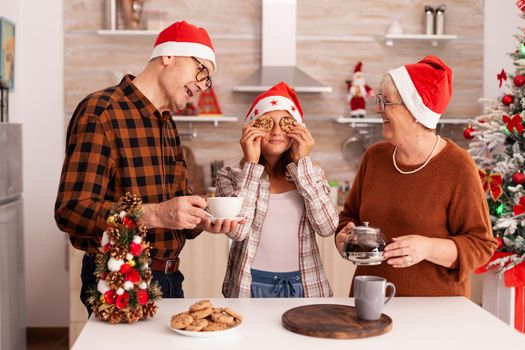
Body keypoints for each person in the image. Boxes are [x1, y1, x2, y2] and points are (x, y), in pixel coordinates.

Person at [55, 21, 241, 313]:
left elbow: (175, 210)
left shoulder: (167, 123)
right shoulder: (101, 112)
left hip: (169, 278)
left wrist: (202, 219)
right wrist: (157, 214)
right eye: (201, 71)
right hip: (117, 278)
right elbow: (72, 210)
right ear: (168, 56)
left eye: (208, 81)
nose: (203, 87)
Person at [335, 55, 497, 297]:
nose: (378, 108)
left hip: (434, 311)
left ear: (415, 111)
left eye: (387, 101)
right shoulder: (374, 157)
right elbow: (349, 217)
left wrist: (428, 247)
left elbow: (480, 246)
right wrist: (343, 237)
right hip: (370, 303)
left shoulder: (458, 166)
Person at [216, 82, 339, 298]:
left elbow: (327, 227)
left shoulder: (311, 174)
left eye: (285, 124)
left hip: (305, 285)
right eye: (267, 124)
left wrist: (303, 161)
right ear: (251, 128)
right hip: (250, 285)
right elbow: (237, 231)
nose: (276, 132)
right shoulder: (230, 176)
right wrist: (252, 166)